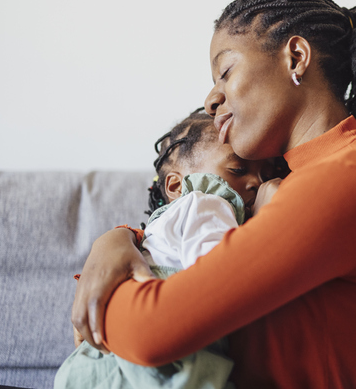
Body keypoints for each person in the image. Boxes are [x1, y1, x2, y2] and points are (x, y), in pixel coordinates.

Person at [72, 0, 356, 388]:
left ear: (296, 57)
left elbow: (150, 332)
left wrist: (99, 301)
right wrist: (117, 241)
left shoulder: (346, 179)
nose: (212, 99)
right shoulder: (301, 177)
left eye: (226, 71)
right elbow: (194, 265)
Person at [56, 108, 277, 389]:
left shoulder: (158, 228)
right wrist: (267, 219)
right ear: (175, 184)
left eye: (267, 174)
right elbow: (221, 272)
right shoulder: (209, 202)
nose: (257, 183)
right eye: (238, 169)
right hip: (163, 365)